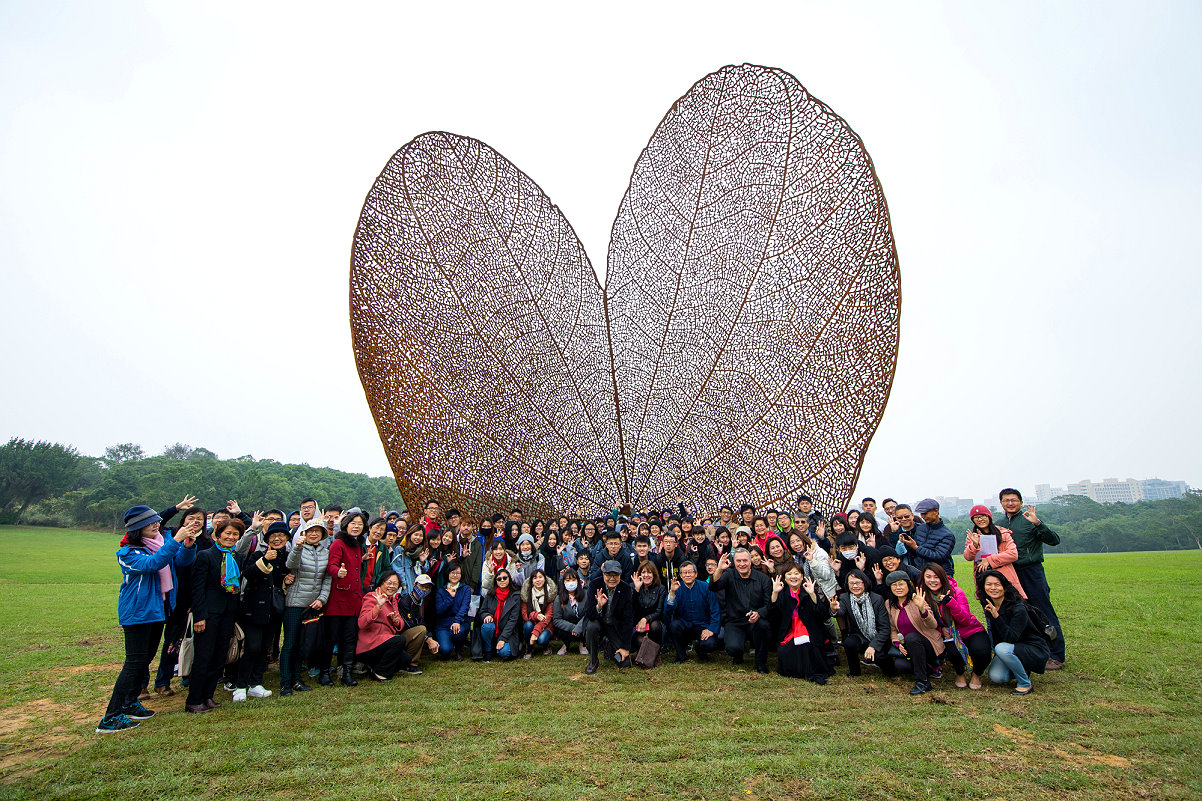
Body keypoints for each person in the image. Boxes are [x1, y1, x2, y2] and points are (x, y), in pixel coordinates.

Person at [97, 506, 199, 732]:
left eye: (156, 521)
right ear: (136, 528)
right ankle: (110, 716)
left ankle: (130, 703)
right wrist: (176, 541)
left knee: (144, 660)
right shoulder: (128, 553)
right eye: (149, 522)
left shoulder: (161, 544)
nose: (156, 525)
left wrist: (188, 546)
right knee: (134, 664)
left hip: (157, 611)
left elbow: (179, 561)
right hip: (137, 613)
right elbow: (152, 565)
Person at [998, 489, 1065, 669]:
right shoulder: (999, 524)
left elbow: (1054, 540)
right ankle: (1027, 652)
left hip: (1031, 572)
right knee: (1017, 612)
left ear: (1020, 502)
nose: (1010, 503)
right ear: (1001, 503)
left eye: (1014, 500)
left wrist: (1038, 524)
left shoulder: (1029, 520)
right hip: (1009, 573)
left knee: (1043, 612)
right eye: (1006, 500)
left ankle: (1056, 655)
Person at [186, 519, 247, 714]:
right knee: (204, 656)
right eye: (227, 533)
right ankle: (194, 699)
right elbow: (197, 589)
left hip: (228, 614)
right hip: (209, 614)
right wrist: (200, 616)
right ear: (218, 534)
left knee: (219, 656)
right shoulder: (205, 556)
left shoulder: (237, 557)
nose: (231, 537)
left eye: (235, 534)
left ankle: (208, 696)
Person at [232, 522, 289, 702]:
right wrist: (264, 560)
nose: (277, 538)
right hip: (254, 609)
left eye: (281, 535)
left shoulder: (286, 557)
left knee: (265, 648)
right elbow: (248, 574)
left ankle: (256, 683)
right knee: (252, 647)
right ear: (267, 539)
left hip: (274, 609)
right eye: (273, 536)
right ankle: (241, 685)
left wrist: (287, 578)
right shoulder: (258, 554)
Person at [920, 564, 991, 690]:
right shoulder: (923, 596)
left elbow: (965, 620)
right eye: (928, 577)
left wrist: (951, 603)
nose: (932, 580)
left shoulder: (956, 591)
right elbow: (926, 621)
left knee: (982, 651)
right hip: (949, 634)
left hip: (971, 629)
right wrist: (941, 629)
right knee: (954, 652)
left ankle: (976, 674)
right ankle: (960, 672)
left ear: (942, 577)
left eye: (936, 577)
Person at [978, 569, 1049, 695]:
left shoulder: (1018, 608)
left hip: (1033, 648)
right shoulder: (991, 605)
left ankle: (1025, 683)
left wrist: (997, 617)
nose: (993, 588)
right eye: (988, 584)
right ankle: (1021, 667)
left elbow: (1011, 637)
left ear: (1005, 588)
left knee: (1001, 649)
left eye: (997, 584)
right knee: (997, 677)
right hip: (1012, 647)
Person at [280, 520, 330, 696]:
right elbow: (291, 565)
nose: (314, 534)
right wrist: (298, 547)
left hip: (312, 605)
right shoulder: (299, 548)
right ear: (305, 533)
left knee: (302, 643)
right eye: (311, 531)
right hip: (295, 603)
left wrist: (322, 599)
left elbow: (327, 578)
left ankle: (296, 679)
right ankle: (285, 682)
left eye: (318, 531)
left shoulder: (325, 553)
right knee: (290, 643)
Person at [709, 549, 773, 673]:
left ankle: (760, 663)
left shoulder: (763, 579)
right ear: (734, 562)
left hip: (755, 621)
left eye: (745, 560)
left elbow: (768, 604)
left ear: (751, 562)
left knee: (764, 626)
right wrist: (719, 569)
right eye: (738, 561)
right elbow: (713, 587)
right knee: (733, 648)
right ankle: (738, 654)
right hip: (734, 622)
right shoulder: (728, 575)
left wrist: (759, 613)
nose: (742, 564)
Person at [770, 563, 833, 684]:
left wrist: (812, 594)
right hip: (789, 630)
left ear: (802, 576)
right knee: (787, 650)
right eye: (789, 574)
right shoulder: (782, 593)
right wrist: (775, 593)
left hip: (810, 629)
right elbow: (773, 614)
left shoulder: (809, 590)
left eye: (796, 573)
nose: (793, 577)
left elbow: (823, 615)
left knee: (806, 644)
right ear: (784, 577)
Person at [323, 511, 366, 687]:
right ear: (346, 524)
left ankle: (346, 672)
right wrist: (337, 572)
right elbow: (331, 565)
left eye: (360, 524)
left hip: (353, 600)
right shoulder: (338, 544)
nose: (356, 526)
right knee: (331, 637)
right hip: (338, 599)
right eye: (353, 523)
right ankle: (324, 673)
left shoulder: (358, 546)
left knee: (349, 638)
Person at [885, 570, 944, 696]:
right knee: (900, 665)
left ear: (908, 584)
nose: (898, 588)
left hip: (928, 643)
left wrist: (922, 609)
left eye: (901, 584)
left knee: (912, 638)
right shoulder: (890, 604)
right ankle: (929, 667)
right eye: (894, 585)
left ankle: (922, 681)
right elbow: (892, 628)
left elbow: (933, 624)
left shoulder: (917, 599)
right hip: (910, 647)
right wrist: (896, 643)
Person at [833, 569, 893, 677]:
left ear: (865, 583)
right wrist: (834, 609)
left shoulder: (877, 599)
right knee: (848, 643)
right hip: (859, 635)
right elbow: (840, 611)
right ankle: (854, 672)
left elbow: (884, 628)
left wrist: (873, 646)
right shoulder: (845, 598)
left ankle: (890, 671)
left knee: (880, 658)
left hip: (877, 636)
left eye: (858, 583)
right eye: (851, 583)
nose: (855, 586)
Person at [355, 570, 412, 681]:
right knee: (399, 640)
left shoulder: (393, 600)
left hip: (384, 643)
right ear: (381, 583)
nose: (392, 586)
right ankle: (381, 673)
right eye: (389, 583)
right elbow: (362, 623)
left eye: (395, 584)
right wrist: (378, 606)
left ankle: (372, 667)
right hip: (369, 644)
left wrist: (396, 621)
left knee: (406, 659)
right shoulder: (372, 597)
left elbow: (401, 622)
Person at [581, 560, 635, 674]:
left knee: (624, 664)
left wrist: (625, 647)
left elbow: (628, 620)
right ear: (603, 574)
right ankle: (593, 660)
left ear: (620, 575)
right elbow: (589, 614)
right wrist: (599, 606)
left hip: (614, 626)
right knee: (591, 627)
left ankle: (609, 646)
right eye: (608, 575)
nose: (612, 578)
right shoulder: (594, 585)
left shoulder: (626, 589)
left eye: (615, 575)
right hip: (597, 622)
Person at [962, 505, 1026, 600]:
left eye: (983, 516)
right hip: (983, 576)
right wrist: (974, 545)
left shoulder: (1003, 533)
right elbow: (968, 557)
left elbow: (1013, 554)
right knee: (989, 607)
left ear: (989, 517)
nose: (980, 519)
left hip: (1004, 575)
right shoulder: (973, 536)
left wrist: (989, 560)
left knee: (1011, 605)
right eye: (976, 517)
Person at [664, 560, 721, 664]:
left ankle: (700, 650)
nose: (687, 575)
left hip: (702, 626)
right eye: (684, 573)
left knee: (710, 644)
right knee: (674, 625)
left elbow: (715, 610)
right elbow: (668, 612)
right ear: (680, 575)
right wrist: (672, 593)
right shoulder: (677, 589)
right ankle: (681, 655)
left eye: (690, 572)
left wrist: (711, 629)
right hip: (684, 625)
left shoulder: (705, 587)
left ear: (696, 574)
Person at [474, 568, 520, 661]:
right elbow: (482, 611)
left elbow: (513, 620)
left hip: (507, 632)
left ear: (509, 579)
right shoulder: (490, 594)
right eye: (499, 579)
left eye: (504, 578)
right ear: (496, 581)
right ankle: (487, 651)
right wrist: (486, 615)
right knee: (487, 627)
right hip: (492, 628)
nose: (502, 580)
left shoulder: (516, 596)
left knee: (505, 653)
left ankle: (499, 645)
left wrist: (503, 639)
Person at [395, 574, 438, 671]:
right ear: (414, 585)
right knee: (420, 630)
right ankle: (411, 664)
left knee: (422, 629)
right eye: (422, 586)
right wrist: (428, 639)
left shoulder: (419, 602)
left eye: (427, 588)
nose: (424, 590)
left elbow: (421, 621)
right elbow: (408, 625)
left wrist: (430, 637)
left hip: (408, 634)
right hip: (400, 635)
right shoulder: (405, 600)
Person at [433, 564, 471, 660]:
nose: (455, 575)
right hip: (443, 624)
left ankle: (459, 650)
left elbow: (464, 607)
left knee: (458, 631)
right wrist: (450, 598)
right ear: (448, 574)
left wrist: (457, 621)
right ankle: (448, 646)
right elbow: (439, 611)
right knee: (445, 650)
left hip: (460, 622)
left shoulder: (465, 589)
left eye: (458, 573)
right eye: (452, 572)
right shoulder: (441, 591)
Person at [910, 499, 956, 576]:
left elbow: (939, 556)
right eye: (921, 514)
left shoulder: (947, 535)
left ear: (936, 511)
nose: (923, 516)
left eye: (925, 513)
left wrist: (916, 548)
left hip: (941, 574)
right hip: (922, 573)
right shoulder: (920, 529)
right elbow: (914, 553)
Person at [630, 561, 667, 654]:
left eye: (649, 572)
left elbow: (659, 611)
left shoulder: (661, 588)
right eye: (643, 572)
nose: (646, 575)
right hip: (636, 623)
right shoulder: (632, 586)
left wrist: (645, 619)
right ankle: (652, 654)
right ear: (639, 574)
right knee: (639, 640)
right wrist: (636, 590)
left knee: (655, 625)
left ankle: (655, 652)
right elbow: (630, 608)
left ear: (654, 574)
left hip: (653, 621)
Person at [521, 568, 557, 658]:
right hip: (532, 622)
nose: (538, 580)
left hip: (546, 625)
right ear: (531, 581)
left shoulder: (550, 594)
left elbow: (548, 616)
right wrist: (536, 615)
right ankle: (529, 648)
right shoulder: (526, 594)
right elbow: (525, 615)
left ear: (545, 579)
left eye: (540, 577)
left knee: (541, 639)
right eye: (535, 578)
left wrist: (535, 632)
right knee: (527, 625)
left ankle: (545, 646)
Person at [552, 568, 588, 655]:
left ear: (578, 581)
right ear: (563, 582)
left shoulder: (586, 594)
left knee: (590, 624)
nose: (571, 582)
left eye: (573, 579)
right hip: (568, 628)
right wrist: (573, 628)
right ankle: (566, 644)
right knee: (561, 629)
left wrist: (579, 628)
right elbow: (557, 619)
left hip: (582, 625)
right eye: (567, 580)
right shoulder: (559, 598)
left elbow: (588, 614)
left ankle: (583, 644)